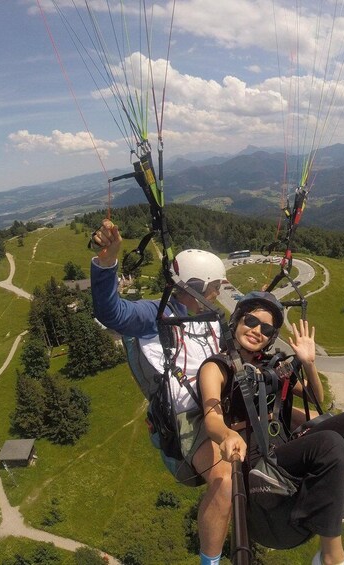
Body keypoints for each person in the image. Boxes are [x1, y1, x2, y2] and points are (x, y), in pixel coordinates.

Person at [198, 291, 344, 564]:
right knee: (330, 444)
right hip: (255, 462)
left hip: (283, 449)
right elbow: (212, 416)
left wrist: (309, 363)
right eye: (250, 321)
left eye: (265, 329)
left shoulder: (272, 367)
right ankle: (330, 556)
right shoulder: (218, 367)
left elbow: (316, 398)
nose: (256, 331)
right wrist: (226, 434)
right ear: (237, 321)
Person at [90, 218, 232, 565]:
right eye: (214, 287)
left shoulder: (210, 318)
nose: (217, 294)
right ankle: (209, 562)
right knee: (223, 477)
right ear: (198, 286)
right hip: (188, 419)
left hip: (220, 403)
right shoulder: (156, 313)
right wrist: (107, 262)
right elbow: (112, 312)